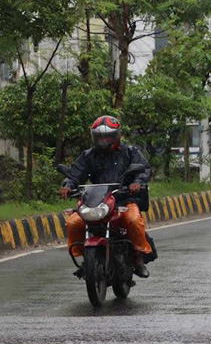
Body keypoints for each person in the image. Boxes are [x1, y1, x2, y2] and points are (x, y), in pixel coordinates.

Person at [60, 116, 154, 278]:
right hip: (96, 201)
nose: (103, 140)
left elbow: (143, 169)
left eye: (107, 136)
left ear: (116, 136)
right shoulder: (88, 155)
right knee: (73, 222)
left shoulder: (130, 152)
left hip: (123, 199)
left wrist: (137, 182)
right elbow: (76, 173)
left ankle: (139, 257)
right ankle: (85, 257)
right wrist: (68, 185)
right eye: (99, 136)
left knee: (133, 220)